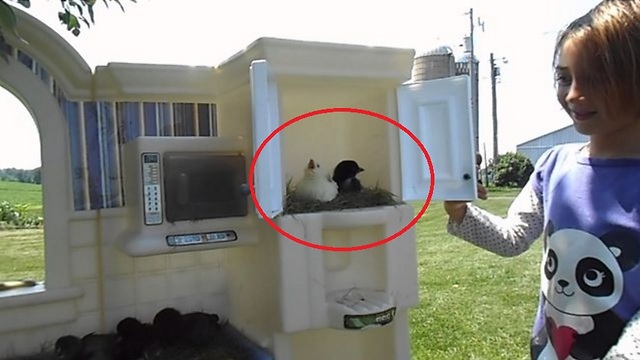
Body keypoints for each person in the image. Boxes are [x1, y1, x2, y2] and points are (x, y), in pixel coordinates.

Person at [443, 1, 640, 359]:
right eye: (564, 77)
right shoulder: (553, 165)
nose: (573, 93)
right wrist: (460, 211)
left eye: (595, 77)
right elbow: (513, 238)